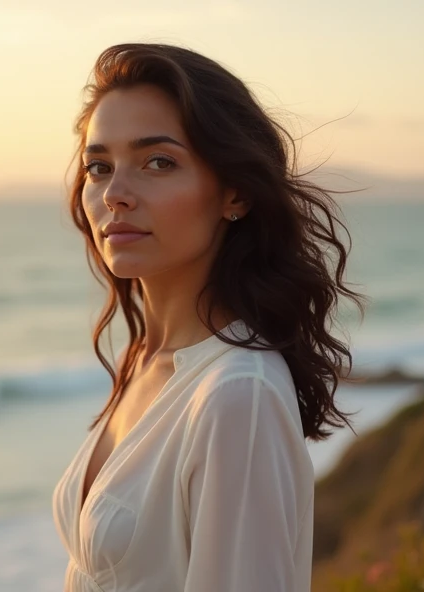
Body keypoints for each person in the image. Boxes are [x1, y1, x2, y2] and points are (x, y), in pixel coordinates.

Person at [51, 42, 368, 592]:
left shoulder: (236, 395)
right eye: (99, 167)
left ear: (234, 193)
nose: (116, 195)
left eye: (158, 162)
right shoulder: (146, 359)